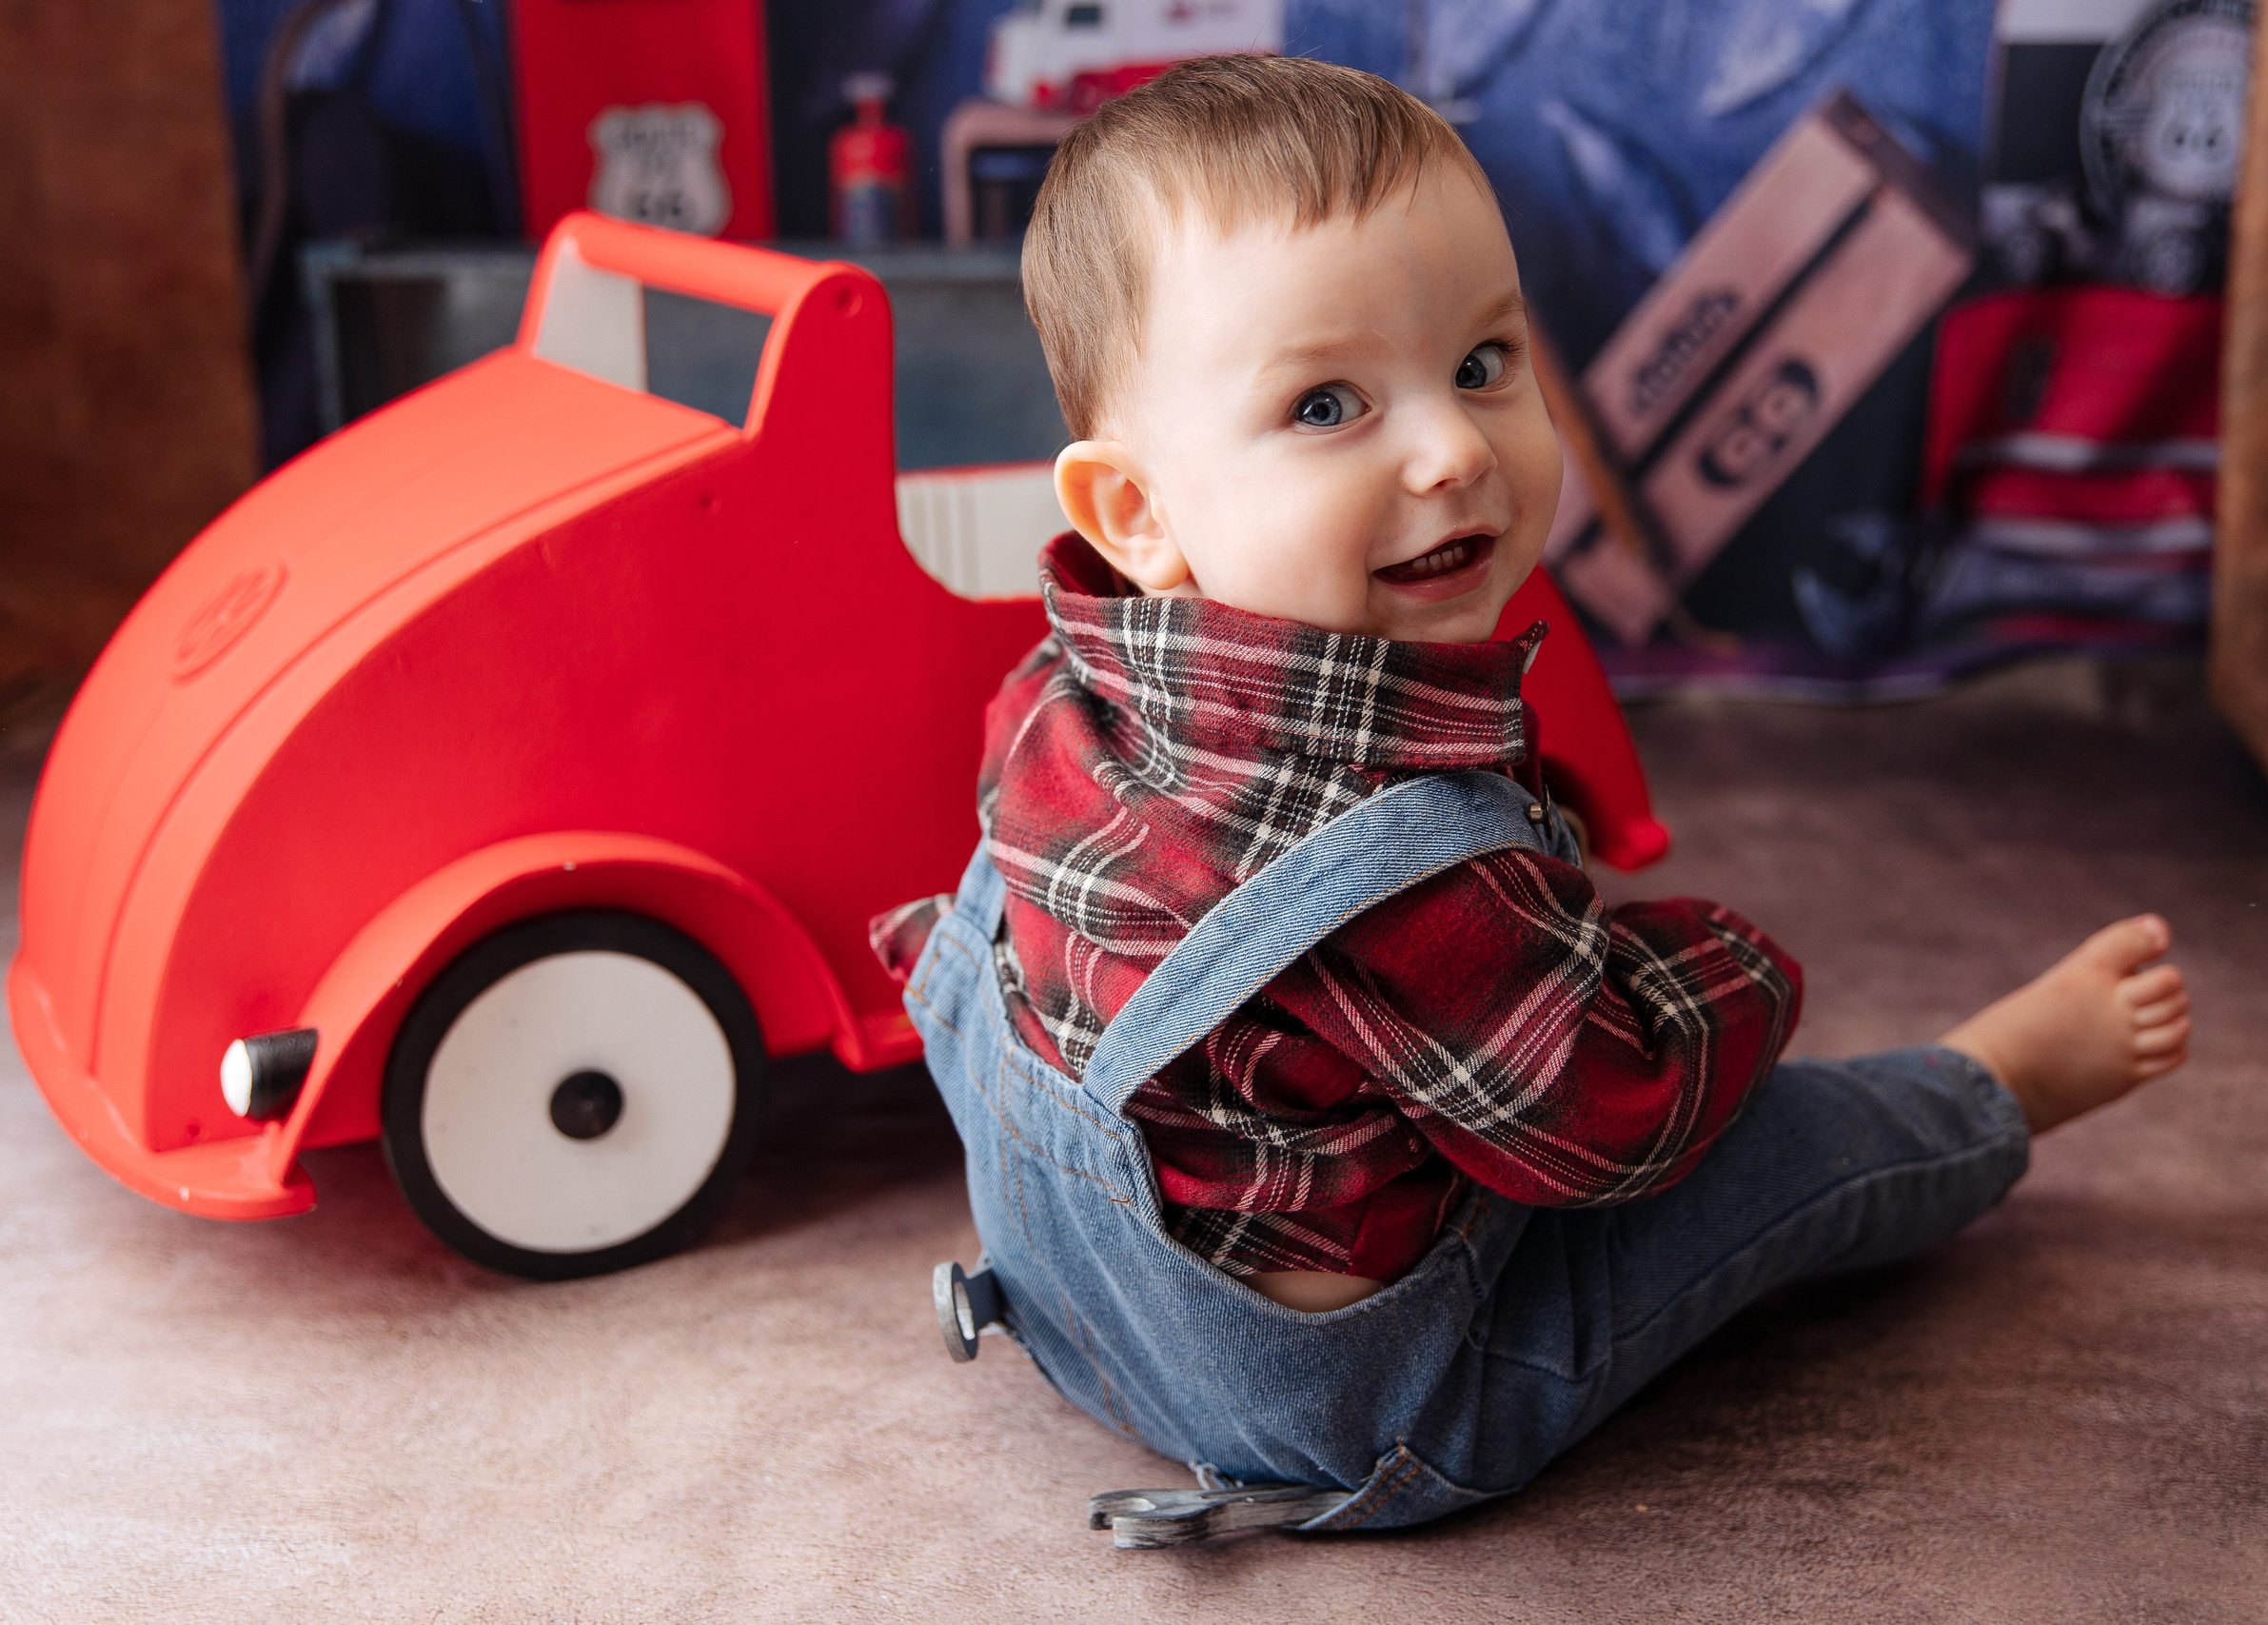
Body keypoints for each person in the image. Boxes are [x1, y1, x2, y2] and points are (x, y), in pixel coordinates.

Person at [869, 53, 2192, 1535]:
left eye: (1485, 363)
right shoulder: (1408, 882)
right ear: (1139, 509)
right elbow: (1608, 1122)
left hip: (1069, 1294)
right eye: (1326, 405)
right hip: (1366, 1408)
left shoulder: (1061, 685)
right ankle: (1996, 1084)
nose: (1451, 449)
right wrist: (1734, 968)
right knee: (1785, 1151)